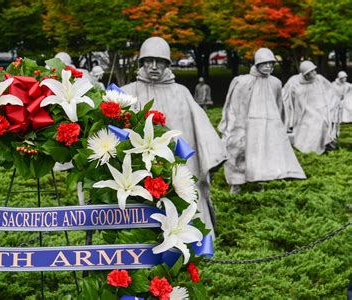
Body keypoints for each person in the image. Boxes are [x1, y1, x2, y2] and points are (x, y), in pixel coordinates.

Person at [122, 37, 227, 237]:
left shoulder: (181, 92)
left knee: (186, 202)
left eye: (159, 61)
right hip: (141, 168)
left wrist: (212, 159)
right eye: (148, 61)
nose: (153, 66)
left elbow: (202, 129)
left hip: (182, 168)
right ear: (141, 63)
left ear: (167, 64)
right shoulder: (129, 92)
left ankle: (195, 246)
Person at [218, 48, 305, 195]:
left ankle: (259, 180)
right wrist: (235, 126)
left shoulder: (275, 83)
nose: (268, 67)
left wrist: (279, 126)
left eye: (271, 64)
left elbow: (279, 106)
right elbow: (235, 106)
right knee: (238, 151)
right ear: (257, 64)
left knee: (262, 154)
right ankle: (236, 183)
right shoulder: (243, 82)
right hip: (245, 124)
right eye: (264, 64)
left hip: (266, 125)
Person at [283, 61, 340, 154]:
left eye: (314, 70)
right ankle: (307, 148)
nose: (314, 73)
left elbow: (330, 90)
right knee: (306, 127)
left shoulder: (319, 79)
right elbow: (286, 96)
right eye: (311, 72)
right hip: (302, 111)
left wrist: (333, 103)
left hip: (320, 108)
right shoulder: (294, 81)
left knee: (322, 122)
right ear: (305, 74)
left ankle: (322, 147)